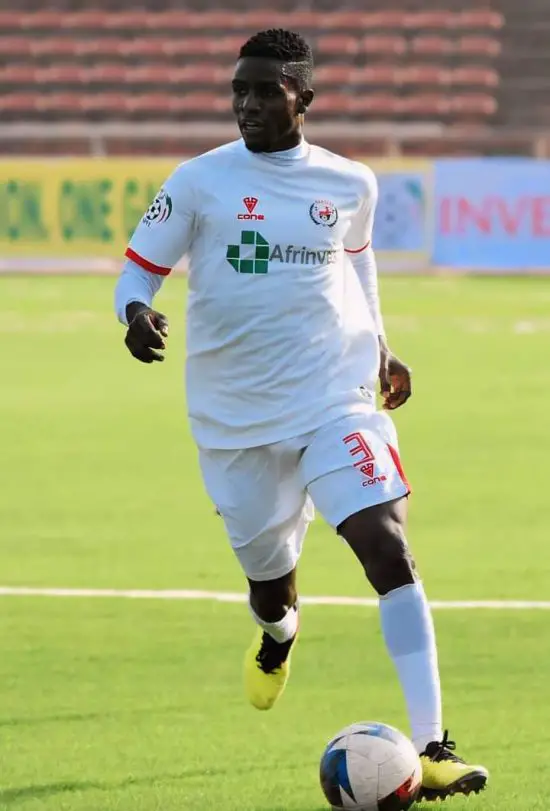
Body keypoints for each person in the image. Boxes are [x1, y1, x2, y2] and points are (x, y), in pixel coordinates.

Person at [114, 29, 488, 801]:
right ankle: (279, 636)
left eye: (265, 91)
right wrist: (135, 312)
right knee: (272, 590)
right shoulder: (199, 181)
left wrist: (381, 344)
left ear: (303, 98)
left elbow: (358, 261)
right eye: (239, 91)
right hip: (235, 423)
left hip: (333, 398)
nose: (247, 105)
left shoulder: (349, 183)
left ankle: (433, 746)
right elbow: (137, 270)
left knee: (386, 545)